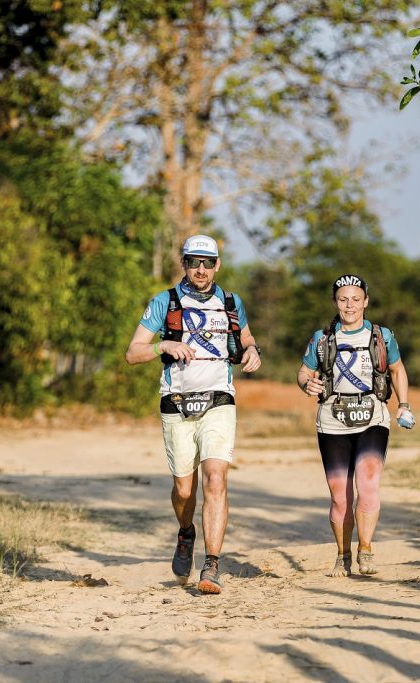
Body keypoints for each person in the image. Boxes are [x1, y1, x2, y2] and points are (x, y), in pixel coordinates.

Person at [125, 235, 262, 595]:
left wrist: (252, 352)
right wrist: (163, 345)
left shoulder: (232, 303)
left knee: (216, 478)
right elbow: (132, 352)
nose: (200, 269)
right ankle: (186, 532)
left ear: (217, 265)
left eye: (207, 262)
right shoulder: (164, 301)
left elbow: (247, 339)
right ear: (183, 264)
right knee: (185, 490)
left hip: (220, 399)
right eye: (193, 262)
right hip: (177, 401)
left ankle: (212, 564)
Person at [296, 274, 415, 577]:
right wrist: (307, 384)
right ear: (335, 302)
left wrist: (403, 405)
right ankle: (342, 554)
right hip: (332, 420)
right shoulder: (322, 338)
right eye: (343, 299)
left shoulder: (381, 336)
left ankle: (366, 549)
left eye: (355, 299)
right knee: (340, 496)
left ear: (366, 301)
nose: (349, 306)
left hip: (373, 416)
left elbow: (397, 369)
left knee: (368, 483)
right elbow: (303, 372)